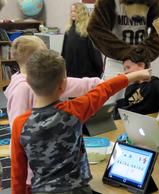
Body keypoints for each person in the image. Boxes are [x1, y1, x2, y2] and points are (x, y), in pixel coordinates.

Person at [11, 49, 151, 194]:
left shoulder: (19, 124)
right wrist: (138, 74)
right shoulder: (74, 111)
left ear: (27, 81)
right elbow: (106, 88)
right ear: (63, 85)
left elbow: (18, 173)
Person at [4, 35, 103, 193]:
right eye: (44, 48)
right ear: (35, 59)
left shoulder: (39, 80)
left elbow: (77, 84)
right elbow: (21, 133)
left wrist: (108, 81)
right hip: (34, 171)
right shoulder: (22, 89)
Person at [87, 0, 159, 80]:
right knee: (115, 91)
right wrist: (128, 54)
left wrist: (143, 55)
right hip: (116, 61)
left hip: (141, 63)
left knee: (142, 91)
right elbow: (94, 28)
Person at [62, 2, 103, 78]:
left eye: (75, 11)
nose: (72, 13)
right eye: (71, 11)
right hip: (71, 74)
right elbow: (64, 53)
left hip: (87, 74)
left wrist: (99, 70)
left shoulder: (88, 30)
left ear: (82, 13)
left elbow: (95, 54)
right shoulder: (68, 30)